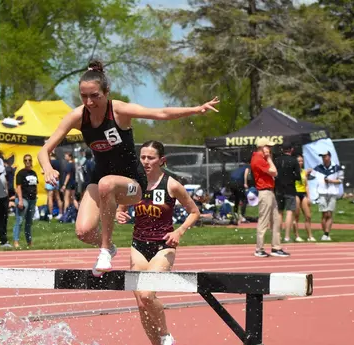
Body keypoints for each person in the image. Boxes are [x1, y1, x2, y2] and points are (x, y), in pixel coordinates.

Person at [37, 59, 219, 276]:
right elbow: (44, 149)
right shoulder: (78, 116)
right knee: (83, 231)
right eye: (83, 96)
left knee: (108, 183)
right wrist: (47, 167)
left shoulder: (119, 111)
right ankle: (110, 247)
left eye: (95, 96)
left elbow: (160, 113)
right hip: (100, 179)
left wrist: (196, 110)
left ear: (106, 92)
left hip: (133, 183)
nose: (89, 102)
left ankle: (104, 250)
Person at [116, 141, 200, 345]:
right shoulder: (134, 185)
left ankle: (165, 335)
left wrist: (179, 231)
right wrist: (120, 214)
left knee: (146, 294)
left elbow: (194, 212)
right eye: (142, 157)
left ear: (162, 160)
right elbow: (121, 208)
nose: (145, 162)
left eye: (150, 158)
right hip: (138, 246)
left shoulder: (172, 185)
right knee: (141, 305)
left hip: (163, 246)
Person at [250, 140, 289, 257]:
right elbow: (274, 172)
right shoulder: (258, 159)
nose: (270, 149)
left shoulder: (260, 158)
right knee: (264, 221)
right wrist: (269, 158)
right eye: (268, 147)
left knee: (276, 220)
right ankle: (259, 248)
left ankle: (276, 247)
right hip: (264, 192)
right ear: (262, 147)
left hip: (269, 192)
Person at [312, 151, 344, 241]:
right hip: (322, 193)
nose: (323, 158)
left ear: (329, 157)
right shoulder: (318, 167)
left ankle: (326, 233)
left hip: (332, 193)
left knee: (329, 213)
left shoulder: (337, 168)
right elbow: (311, 176)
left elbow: (340, 180)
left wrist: (331, 181)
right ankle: (325, 233)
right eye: (322, 157)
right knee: (324, 214)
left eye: (325, 156)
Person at [273, 143, 299, 242]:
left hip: (279, 189)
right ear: (291, 150)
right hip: (290, 189)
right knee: (289, 212)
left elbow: (274, 174)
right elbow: (297, 176)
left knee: (279, 212)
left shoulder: (277, 160)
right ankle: (287, 236)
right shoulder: (293, 161)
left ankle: (278, 235)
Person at [13, 154, 39, 248]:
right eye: (26, 160)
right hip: (23, 199)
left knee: (29, 222)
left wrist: (36, 197)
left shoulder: (34, 173)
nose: (28, 162)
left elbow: (35, 185)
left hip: (32, 200)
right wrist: (20, 200)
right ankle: (16, 241)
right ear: (24, 162)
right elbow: (18, 187)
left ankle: (29, 242)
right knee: (19, 221)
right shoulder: (21, 173)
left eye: (29, 160)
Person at [292, 155, 316, 242]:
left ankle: (310, 236)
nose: (300, 163)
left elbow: (306, 185)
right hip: (295, 193)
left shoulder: (304, 172)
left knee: (308, 216)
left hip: (303, 194)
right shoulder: (293, 171)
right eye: (299, 161)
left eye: (302, 161)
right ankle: (297, 236)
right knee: (296, 216)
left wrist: (309, 197)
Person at [60, 151, 79, 216]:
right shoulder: (73, 164)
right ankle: (79, 212)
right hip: (73, 183)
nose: (65, 157)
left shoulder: (69, 164)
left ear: (70, 157)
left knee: (66, 198)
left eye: (66, 156)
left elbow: (68, 175)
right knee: (73, 198)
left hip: (69, 183)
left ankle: (65, 213)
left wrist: (64, 184)